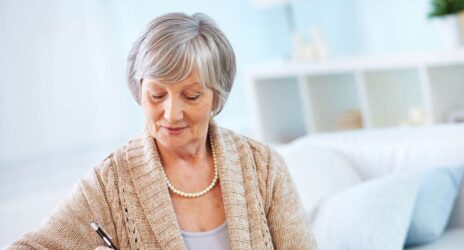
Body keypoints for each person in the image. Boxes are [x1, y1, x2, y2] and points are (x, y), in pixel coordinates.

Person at [9, 12, 317, 249]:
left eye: (191, 95)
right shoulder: (110, 184)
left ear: (216, 97)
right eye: (157, 95)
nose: (171, 113)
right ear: (139, 91)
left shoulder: (263, 168)